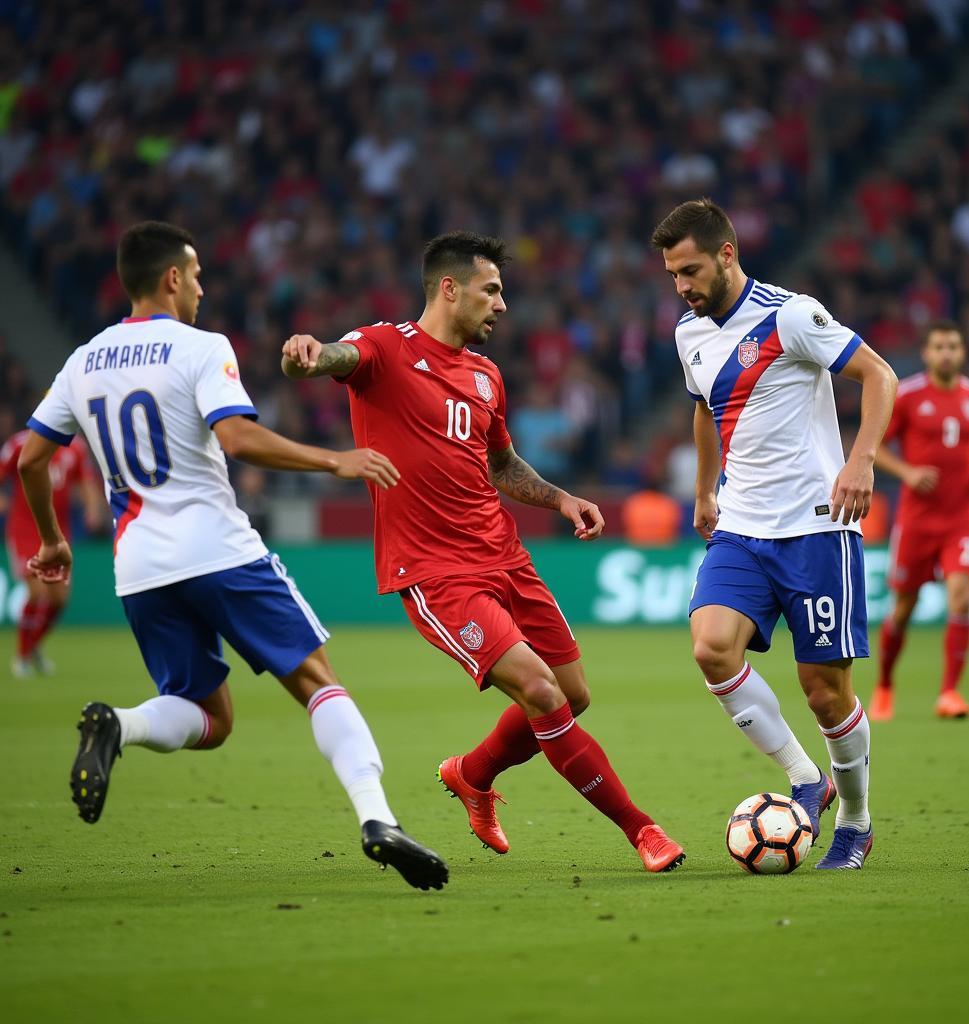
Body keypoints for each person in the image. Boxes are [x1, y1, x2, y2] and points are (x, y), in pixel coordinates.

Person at [18, 221, 447, 891]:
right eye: (194, 275)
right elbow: (239, 438)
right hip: (216, 547)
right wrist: (337, 460)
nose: (202, 287)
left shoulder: (82, 361)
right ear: (170, 279)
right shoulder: (199, 346)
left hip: (138, 568)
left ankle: (118, 726)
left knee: (210, 717)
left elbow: (33, 457)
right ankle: (377, 818)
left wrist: (51, 536)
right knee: (315, 679)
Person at [281, 231, 685, 873]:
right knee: (541, 692)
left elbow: (501, 464)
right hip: (437, 574)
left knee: (573, 693)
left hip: (506, 558)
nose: (501, 304)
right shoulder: (387, 347)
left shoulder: (486, 376)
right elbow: (337, 356)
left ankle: (471, 774)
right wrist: (309, 354)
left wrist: (560, 501)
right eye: (491, 290)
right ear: (450, 288)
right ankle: (643, 830)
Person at [650, 199, 898, 870]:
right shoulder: (689, 334)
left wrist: (862, 458)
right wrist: (705, 490)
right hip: (741, 527)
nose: (682, 287)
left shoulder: (791, 314)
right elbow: (705, 409)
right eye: (673, 275)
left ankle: (856, 820)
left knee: (824, 689)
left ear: (728, 254)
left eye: (691, 270)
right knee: (711, 649)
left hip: (816, 528)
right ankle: (804, 777)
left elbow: (880, 374)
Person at [870, 320, 969, 721]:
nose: (947, 353)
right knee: (905, 606)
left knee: (961, 596)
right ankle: (885, 685)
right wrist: (908, 472)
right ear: (927, 353)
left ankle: (949, 692)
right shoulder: (908, 395)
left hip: (963, 516)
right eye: (940, 346)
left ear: (962, 352)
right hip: (917, 519)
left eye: (954, 346)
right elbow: (875, 447)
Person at [1, 427, 105, 676]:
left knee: (59, 599)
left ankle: (33, 644)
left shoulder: (75, 447)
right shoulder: (19, 444)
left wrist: (92, 508)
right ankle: (23, 656)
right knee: (36, 592)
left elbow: (87, 481)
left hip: (58, 532)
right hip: (25, 530)